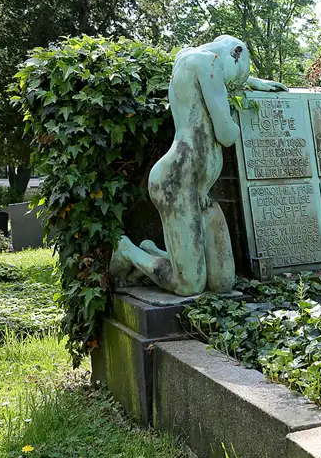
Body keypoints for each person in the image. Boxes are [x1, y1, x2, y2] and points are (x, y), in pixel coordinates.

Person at [110, 35, 287, 296]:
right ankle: (127, 250)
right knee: (189, 285)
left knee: (223, 283)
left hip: (200, 188)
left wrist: (254, 82)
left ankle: (155, 252)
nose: (233, 87)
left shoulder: (191, 59)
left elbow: (218, 82)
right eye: (235, 81)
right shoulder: (210, 63)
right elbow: (226, 134)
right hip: (178, 181)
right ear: (236, 53)